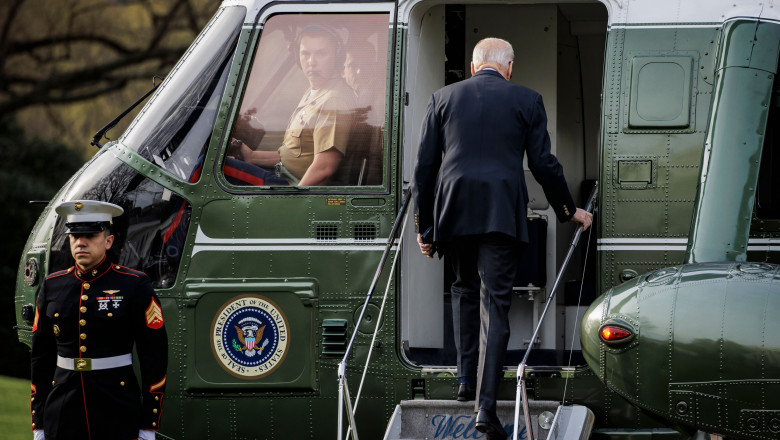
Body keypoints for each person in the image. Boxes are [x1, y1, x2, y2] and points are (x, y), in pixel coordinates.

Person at [412, 38, 592, 440]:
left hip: (453, 212)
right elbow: (543, 163)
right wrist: (568, 210)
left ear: (474, 67)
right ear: (509, 66)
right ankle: (486, 407)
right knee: (495, 303)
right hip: (499, 213)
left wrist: (424, 226)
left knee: (463, 289)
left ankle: (464, 378)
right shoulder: (527, 99)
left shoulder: (442, 97)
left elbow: (424, 167)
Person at [30, 200, 168, 440]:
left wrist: (149, 424)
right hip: (62, 407)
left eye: (90, 235)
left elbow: (154, 355)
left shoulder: (134, 284)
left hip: (116, 405)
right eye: (74, 236)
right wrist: (39, 422)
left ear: (108, 241)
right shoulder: (53, 286)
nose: (81, 242)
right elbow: (41, 357)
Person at [230, 25, 356, 186]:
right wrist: (252, 156)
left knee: (210, 166)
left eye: (321, 53)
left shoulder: (333, 101)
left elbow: (324, 169)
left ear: (337, 57)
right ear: (298, 56)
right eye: (305, 53)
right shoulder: (316, 91)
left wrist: (293, 203)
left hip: (292, 185)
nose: (311, 62)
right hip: (283, 173)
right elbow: (296, 154)